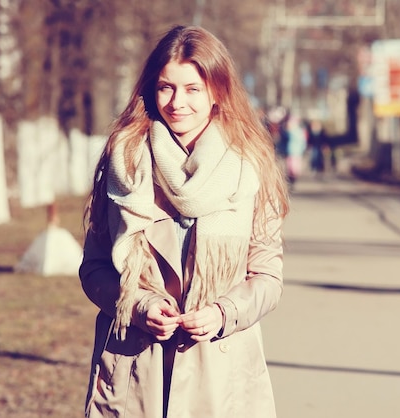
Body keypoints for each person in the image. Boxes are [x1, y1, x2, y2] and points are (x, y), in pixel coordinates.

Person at [79, 25, 289, 418]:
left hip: (221, 372)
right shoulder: (124, 161)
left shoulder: (249, 164)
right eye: (166, 87)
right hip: (136, 369)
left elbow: (267, 276)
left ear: (217, 93)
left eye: (192, 88)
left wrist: (223, 312)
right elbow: (94, 268)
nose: (177, 102)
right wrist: (139, 306)